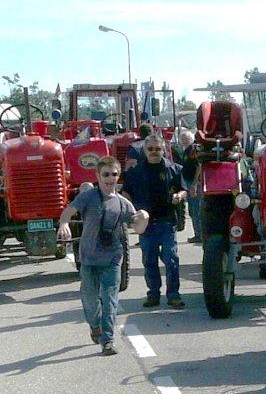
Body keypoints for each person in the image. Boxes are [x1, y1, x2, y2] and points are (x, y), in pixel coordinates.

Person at [58, 156, 149, 355]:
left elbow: (139, 229)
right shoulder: (88, 197)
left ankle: (107, 340)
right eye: (106, 174)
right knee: (90, 300)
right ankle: (95, 325)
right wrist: (64, 224)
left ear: (119, 177)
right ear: (97, 176)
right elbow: (68, 212)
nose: (110, 179)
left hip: (112, 259)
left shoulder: (124, 204)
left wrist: (144, 218)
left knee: (110, 299)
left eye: (114, 174)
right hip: (89, 259)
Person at [123, 133, 188, 309]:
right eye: (150, 149)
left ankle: (173, 295)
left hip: (167, 221)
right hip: (146, 225)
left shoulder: (174, 169)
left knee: (171, 259)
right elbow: (126, 193)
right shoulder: (135, 173)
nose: (154, 152)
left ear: (163, 150)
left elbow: (184, 190)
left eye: (157, 149)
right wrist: (130, 211)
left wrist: (179, 196)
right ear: (144, 150)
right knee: (149, 261)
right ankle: (153, 294)